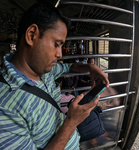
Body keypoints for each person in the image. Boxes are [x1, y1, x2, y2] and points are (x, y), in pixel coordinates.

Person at [0, 3, 109, 150]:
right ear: (31, 35)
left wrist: (90, 67)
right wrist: (71, 122)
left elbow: (69, 66)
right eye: (56, 44)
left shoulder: (44, 70)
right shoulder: (5, 107)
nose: (59, 54)